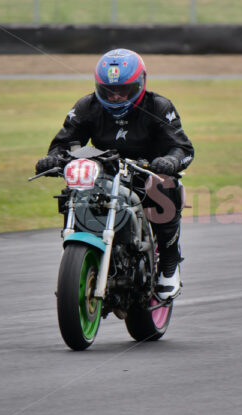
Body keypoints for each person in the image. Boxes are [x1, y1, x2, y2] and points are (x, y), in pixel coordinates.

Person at [35, 48, 194, 301]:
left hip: (145, 173)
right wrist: (53, 159)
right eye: (109, 90)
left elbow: (183, 147)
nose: (117, 96)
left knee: (166, 187)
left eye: (124, 90)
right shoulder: (86, 106)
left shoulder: (159, 106)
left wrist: (169, 161)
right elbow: (64, 142)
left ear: (141, 83)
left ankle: (169, 264)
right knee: (71, 191)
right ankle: (81, 255)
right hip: (103, 171)